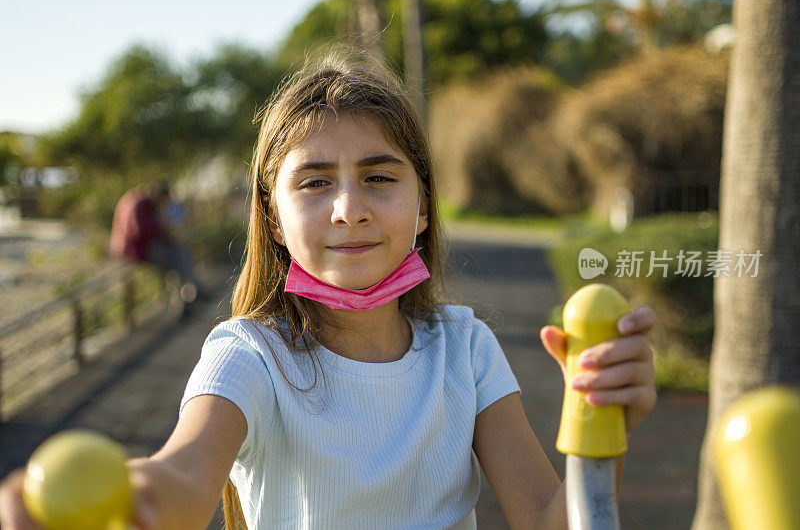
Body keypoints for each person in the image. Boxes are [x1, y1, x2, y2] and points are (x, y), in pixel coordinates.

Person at [0, 47, 657, 530]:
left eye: (380, 177)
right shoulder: (248, 354)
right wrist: (124, 492)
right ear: (274, 220)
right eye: (314, 182)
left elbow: (549, 516)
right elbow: (184, 477)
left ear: (424, 207)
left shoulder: (468, 348)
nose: (349, 208)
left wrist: (598, 418)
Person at [109, 181, 201, 305]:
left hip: (136, 247)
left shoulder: (139, 199)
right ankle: (189, 296)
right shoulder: (140, 203)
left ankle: (188, 295)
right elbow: (138, 230)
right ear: (160, 195)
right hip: (133, 250)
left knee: (178, 254)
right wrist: (163, 227)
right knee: (177, 259)